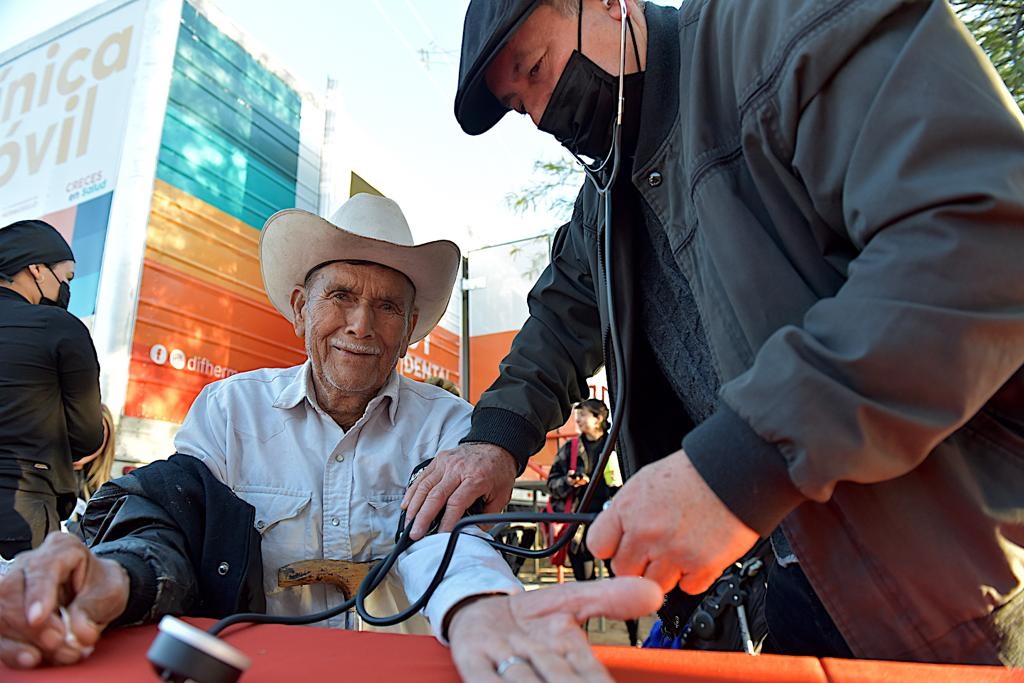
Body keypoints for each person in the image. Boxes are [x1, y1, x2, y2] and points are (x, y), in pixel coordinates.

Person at [403, 0, 1024, 668]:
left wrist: (738, 464)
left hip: (958, 583)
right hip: (789, 581)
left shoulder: (776, 29)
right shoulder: (603, 199)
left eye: (536, 68)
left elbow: (981, 241)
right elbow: (558, 323)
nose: (545, 115)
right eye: (521, 106)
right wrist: (494, 440)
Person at [0, 194, 660, 681]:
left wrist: (482, 605)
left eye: (387, 307)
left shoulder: (449, 424)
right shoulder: (230, 409)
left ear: (409, 332)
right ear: (299, 308)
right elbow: (175, 524)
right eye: (340, 294)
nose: (361, 326)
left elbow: (449, 542)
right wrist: (118, 574)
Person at [0, 220, 103, 558]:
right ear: (36, 269)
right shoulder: (60, 327)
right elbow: (86, 437)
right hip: (21, 511)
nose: (66, 288)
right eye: (67, 277)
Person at [547, 398, 639, 646]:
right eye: (576, 417)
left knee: (622, 584)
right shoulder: (570, 449)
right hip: (580, 528)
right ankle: (582, 642)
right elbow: (551, 484)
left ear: (599, 418)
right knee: (583, 588)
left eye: (582, 416)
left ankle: (635, 641)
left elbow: (638, 480)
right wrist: (568, 483)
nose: (577, 421)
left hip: (616, 526)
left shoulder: (619, 446)